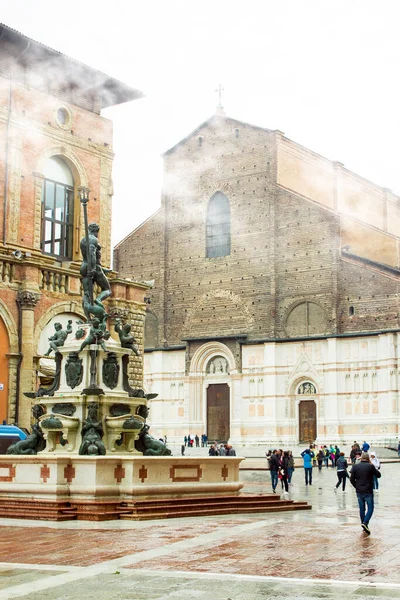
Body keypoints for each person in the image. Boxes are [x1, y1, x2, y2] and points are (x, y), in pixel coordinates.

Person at [350, 451, 381, 535]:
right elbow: (378, 475)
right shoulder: (370, 466)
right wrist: (371, 464)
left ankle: (363, 524)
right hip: (368, 490)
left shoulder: (355, 466)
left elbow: (351, 479)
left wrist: (356, 486)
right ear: (368, 458)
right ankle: (365, 522)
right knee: (370, 508)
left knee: (362, 508)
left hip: (359, 491)